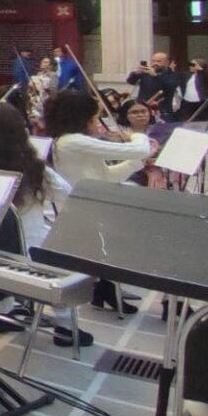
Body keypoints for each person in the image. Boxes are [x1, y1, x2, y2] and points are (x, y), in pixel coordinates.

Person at [0, 103, 89, 347]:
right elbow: (68, 194)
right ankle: (65, 326)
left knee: (3, 240)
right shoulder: (32, 168)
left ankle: (0, 313)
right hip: (26, 258)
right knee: (65, 252)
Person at [44, 88, 155, 314]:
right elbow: (139, 148)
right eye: (95, 118)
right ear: (82, 118)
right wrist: (137, 135)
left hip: (93, 206)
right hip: (81, 213)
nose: (98, 124)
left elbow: (106, 177)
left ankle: (105, 288)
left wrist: (137, 163)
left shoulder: (76, 142)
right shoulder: (70, 142)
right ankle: (103, 288)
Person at [127, 52, 183, 121]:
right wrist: (136, 73)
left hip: (162, 110)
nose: (155, 63)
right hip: (144, 108)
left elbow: (171, 85)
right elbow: (130, 81)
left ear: (167, 62)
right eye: (153, 61)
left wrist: (156, 75)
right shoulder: (146, 72)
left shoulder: (172, 75)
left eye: (158, 61)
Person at [178, 58, 208, 122]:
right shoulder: (187, 75)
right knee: (186, 119)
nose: (190, 66)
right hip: (187, 101)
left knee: (200, 119)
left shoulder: (202, 75)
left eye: (193, 65)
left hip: (199, 102)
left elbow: (206, 75)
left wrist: (200, 69)